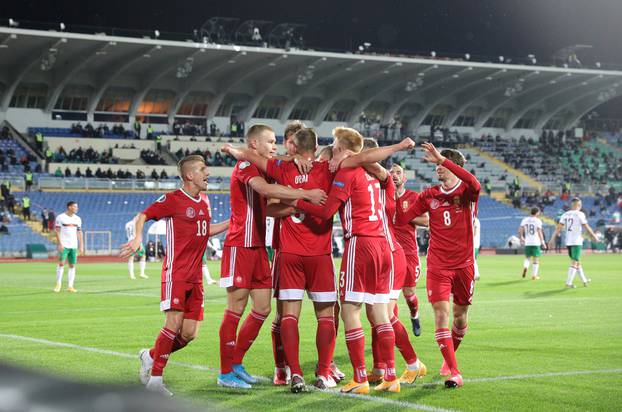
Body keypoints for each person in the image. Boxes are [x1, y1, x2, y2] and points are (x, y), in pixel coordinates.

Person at [292, 128, 415, 394]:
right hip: (384, 246)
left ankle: (359, 378)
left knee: (350, 311)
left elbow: (325, 212)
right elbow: (382, 175)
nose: (333, 150)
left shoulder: (348, 172)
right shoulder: (379, 177)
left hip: (360, 244)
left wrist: (299, 201)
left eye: (336, 146)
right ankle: (391, 377)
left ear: (345, 149)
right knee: (382, 314)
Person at [223, 126, 338, 392]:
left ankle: (292, 372)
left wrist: (232, 150)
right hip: (319, 253)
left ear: (294, 148)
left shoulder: (283, 170)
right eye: (272, 142)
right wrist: (307, 199)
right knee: (327, 317)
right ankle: (322, 372)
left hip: (288, 253)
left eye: (283, 143)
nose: (279, 147)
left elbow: (270, 203)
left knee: (285, 316)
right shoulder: (328, 171)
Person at [119, 155, 229, 396]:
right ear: (190, 175)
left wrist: (231, 223)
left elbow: (204, 231)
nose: (207, 173)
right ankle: (155, 381)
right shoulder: (172, 200)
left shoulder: (206, 201)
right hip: (176, 273)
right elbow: (143, 216)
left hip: (195, 277)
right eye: (202, 169)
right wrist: (137, 237)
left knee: (189, 334)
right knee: (172, 324)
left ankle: (149, 356)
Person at [397, 142, 481, 389]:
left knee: (460, 316)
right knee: (441, 314)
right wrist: (394, 199)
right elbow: (403, 217)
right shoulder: (429, 195)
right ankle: (454, 370)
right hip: (438, 265)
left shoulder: (466, 193)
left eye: (441, 164)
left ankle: (449, 357)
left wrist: (442, 159)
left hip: (464, 265)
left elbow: (475, 184)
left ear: (453, 166)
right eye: (436, 164)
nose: (437, 168)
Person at [390, 164, 428, 336]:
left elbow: (426, 221)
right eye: (391, 173)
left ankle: (415, 315)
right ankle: (392, 328)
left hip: (409, 253)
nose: (394, 175)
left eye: (398, 173)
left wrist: (407, 215)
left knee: (409, 292)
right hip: (389, 252)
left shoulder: (413, 197)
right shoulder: (383, 197)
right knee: (390, 294)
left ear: (404, 178)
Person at [548, 198, 598, 288]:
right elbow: (586, 227)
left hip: (568, 241)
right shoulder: (580, 214)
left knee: (577, 261)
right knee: (574, 262)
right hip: (576, 241)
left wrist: (552, 239)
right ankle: (568, 283)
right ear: (579, 205)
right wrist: (594, 236)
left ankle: (584, 280)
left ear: (572, 205)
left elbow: (558, 228)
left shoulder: (565, 214)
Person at [54, 201, 84, 293]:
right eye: (75, 206)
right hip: (64, 244)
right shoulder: (60, 217)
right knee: (61, 263)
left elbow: (79, 232)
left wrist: (81, 245)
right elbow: (57, 231)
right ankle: (58, 283)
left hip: (73, 245)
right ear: (69, 207)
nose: (76, 208)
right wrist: (59, 244)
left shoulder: (78, 219)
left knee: (72, 265)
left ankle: (70, 286)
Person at [519, 208, 546, 280]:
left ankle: (526, 267)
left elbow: (521, 228)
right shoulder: (538, 221)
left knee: (527, 257)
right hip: (535, 242)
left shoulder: (525, 220)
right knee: (535, 259)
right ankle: (534, 275)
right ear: (537, 213)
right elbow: (539, 231)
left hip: (527, 242)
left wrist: (521, 237)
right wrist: (543, 242)